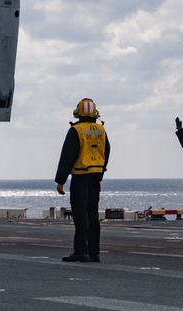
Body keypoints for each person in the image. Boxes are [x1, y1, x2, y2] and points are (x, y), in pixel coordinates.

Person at [55, 98, 109, 263]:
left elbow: (67, 156)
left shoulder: (76, 130)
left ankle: (81, 251)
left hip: (80, 177)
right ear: (95, 114)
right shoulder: (101, 130)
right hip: (95, 177)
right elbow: (106, 152)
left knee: (80, 215)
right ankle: (94, 252)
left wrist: (60, 180)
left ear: (78, 113)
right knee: (92, 214)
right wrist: (100, 173)